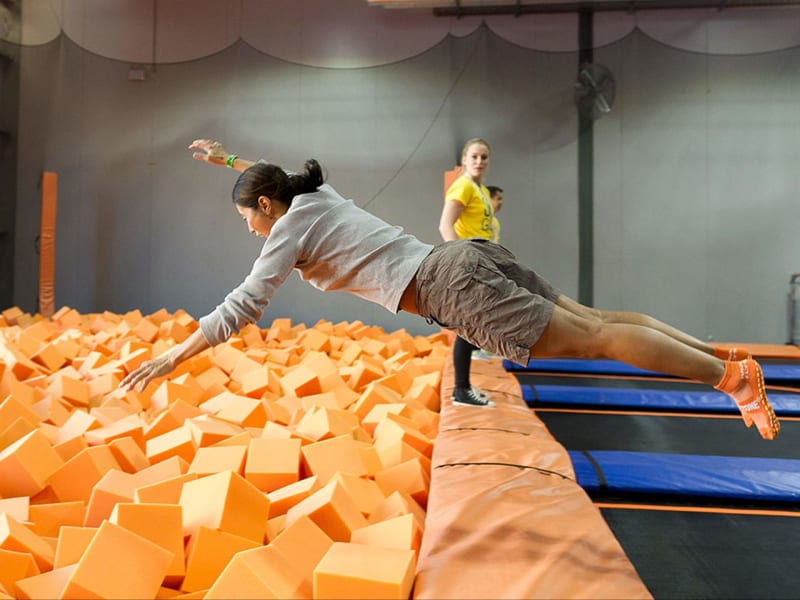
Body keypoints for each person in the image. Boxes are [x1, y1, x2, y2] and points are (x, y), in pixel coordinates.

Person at [121, 139, 779, 441]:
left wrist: (172, 357)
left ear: (267, 206)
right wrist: (228, 162)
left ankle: (732, 382)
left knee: (599, 340)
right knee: (602, 319)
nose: (253, 232)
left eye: (248, 219)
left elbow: (243, 304)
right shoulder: (314, 195)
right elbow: (281, 174)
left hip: (446, 289)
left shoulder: (287, 229)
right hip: (460, 255)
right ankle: (723, 361)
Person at [438, 139, 500, 407]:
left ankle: (464, 387)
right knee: (468, 325)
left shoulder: (481, 189)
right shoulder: (463, 185)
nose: (479, 162)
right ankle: (461, 390)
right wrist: (459, 258)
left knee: (475, 322)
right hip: (469, 262)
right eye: (474, 156)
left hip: (483, 260)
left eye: (484, 157)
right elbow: (445, 224)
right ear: (464, 159)